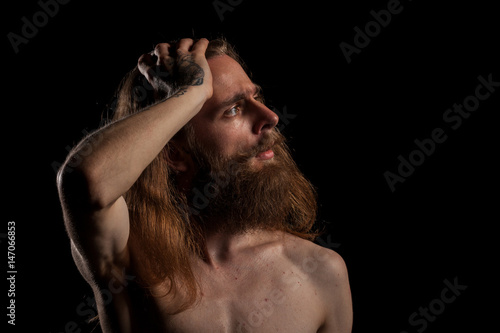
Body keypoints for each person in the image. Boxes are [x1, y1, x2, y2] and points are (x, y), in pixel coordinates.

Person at [57, 37, 353, 333]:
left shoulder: (320, 273)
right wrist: (191, 93)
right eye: (233, 109)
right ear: (175, 153)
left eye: (256, 98)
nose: (270, 117)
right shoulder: (129, 262)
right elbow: (86, 181)